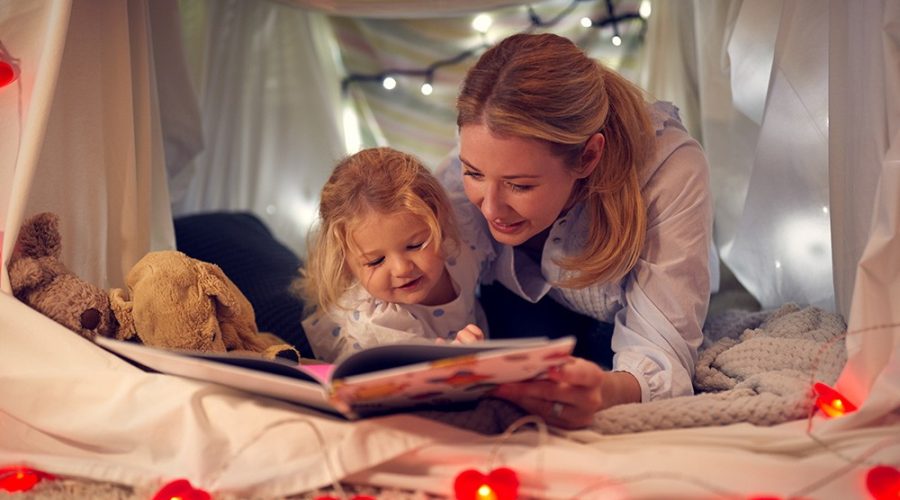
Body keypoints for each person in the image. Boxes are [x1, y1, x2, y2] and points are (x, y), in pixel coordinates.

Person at [436, 33, 717, 429]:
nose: (491, 208)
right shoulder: (483, 150)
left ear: (588, 157)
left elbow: (660, 352)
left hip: (619, 323)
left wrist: (602, 392)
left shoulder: (668, 171)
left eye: (520, 185)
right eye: (473, 173)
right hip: (520, 316)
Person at [298, 147, 492, 362]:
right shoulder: (377, 324)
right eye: (376, 261)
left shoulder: (463, 244)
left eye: (416, 245)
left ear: (440, 221)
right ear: (346, 265)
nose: (402, 269)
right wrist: (459, 363)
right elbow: (409, 387)